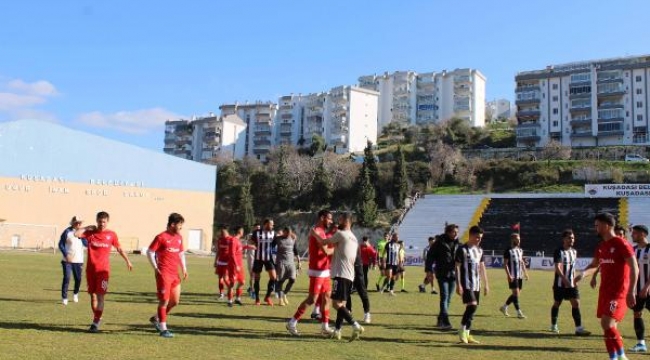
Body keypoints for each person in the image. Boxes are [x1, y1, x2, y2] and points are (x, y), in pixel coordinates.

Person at [580, 212, 639, 360]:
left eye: (597, 225)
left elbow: (634, 267)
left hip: (618, 292)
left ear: (607, 225)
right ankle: (613, 357)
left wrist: (631, 291)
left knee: (606, 322)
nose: (595, 228)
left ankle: (622, 356)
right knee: (608, 326)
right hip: (605, 292)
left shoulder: (621, 243)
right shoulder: (601, 246)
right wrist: (582, 274)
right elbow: (594, 265)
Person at [75, 211, 132, 333]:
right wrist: (86, 227)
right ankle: (97, 317)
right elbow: (76, 233)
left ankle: (95, 323)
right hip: (90, 271)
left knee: (100, 296)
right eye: (100, 221)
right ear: (97, 221)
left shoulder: (111, 235)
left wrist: (127, 260)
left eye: (104, 222)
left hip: (103, 271)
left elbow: (119, 248)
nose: (102, 224)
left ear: (107, 222)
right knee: (93, 296)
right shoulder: (91, 233)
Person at [311, 212, 365, 341]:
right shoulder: (354, 238)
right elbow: (335, 250)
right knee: (342, 305)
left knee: (336, 304)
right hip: (349, 276)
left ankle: (355, 325)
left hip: (340, 274)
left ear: (346, 222)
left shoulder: (341, 234)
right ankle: (338, 330)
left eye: (339, 221)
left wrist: (314, 234)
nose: (337, 223)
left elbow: (324, 241)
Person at [287, 210, 334, 336]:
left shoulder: (321, 232)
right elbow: (326, 252)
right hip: (317, 271)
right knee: (312, 299)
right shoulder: (317, 231)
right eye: (329, 218)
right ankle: (292, 323)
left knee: (327, 297)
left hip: (325, 271)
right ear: (322, 217)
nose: (331, 221)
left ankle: (325, 326)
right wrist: (339, 247)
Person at [147, 213, 188, 338]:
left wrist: (184, 268)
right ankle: (163, 328)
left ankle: (156, 318)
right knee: (164, 301)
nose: (181, 228)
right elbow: (150, 251)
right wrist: (155, 267)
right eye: (180, 225)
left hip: (175, 274)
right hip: (163, 273)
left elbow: (180, 253)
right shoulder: (161, 237)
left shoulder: (179, 237)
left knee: (175, 301)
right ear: (172, 224)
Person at [548, 229, 591, 335]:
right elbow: (557, 268)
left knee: (576, 303)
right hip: (560, 284)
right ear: (564, 239)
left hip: (571, 283)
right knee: (557, 303)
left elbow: (572, 267)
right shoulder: (559, 251)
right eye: (569, 237)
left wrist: (574, 278)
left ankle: (579, 328)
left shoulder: (574, 251)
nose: (571, 239)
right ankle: (553, 325)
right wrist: (564, 279)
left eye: (572, 238)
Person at [455, 225, 488, 344]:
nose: (479, 239)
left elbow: (482, 267)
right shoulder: (462, 249)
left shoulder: (480, 250)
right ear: (471, 235)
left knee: (472, 310)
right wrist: (458, 284)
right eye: (477, 237)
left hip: (476, 284)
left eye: (480, 238)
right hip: (466, 283)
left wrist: (486, 284)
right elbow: (457, 267)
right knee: (472, 305)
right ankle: (461, 329)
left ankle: (468, 334)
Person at [428, 224, 460, 329]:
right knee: (444, 297)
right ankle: (445, 321)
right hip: (442, 273)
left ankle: (440, 319)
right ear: (448, 232)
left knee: (449, 298)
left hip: (453, 274)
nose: (456, 234)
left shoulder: (458, 243)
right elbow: (430, 256)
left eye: (457, 232)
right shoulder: (439, 242)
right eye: (454, 232)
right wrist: (428, 270)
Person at [628, 225, 650, 353]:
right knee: (637, 314)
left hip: (647, 289)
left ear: (643, 234)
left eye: (635, 233)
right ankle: (641, 344)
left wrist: (646, 287)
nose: (632, 235)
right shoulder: (633, 250)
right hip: (636, 290)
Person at [499, 233, 529, 319]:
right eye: (517, 239)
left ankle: (504, 307)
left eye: (519, 239)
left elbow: (522, 262)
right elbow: (505, 264)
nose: (519, 240)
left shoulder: (520, 250)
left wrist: (525, 273)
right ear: (512, 240)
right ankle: (519, 312)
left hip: (520, 275)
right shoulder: (508, 250)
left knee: (516, 294)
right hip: (512, 275)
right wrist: (509, 275)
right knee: (515, 293)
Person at [59, 216, 85, 305]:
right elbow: (61, 244)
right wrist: (66, 255)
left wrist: (82, 237)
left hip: (79, 260)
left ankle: (75, 293)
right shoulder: (67, 232)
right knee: (67, 277)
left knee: (78, 279)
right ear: (73, 222)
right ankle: (64, 297)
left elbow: (87, 244)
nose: (78, 224)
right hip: (67, 260)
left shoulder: (83, 232)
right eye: (76, 222)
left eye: (80, 223)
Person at [252, 219, 278, 306]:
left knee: (274, 277)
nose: (272, 226)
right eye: (271, 225)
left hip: (269, 258)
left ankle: (267, 297)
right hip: (258, 258)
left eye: (273, 225)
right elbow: (252, 242)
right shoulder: (256, 232)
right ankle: (257, 298)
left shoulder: (274, 233)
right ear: (266, 224)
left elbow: (274, 244)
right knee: (257, 278)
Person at [275, 226, 301, 306]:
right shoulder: (278, 239)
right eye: (288, 233)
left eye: (290, 233)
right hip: (281, 262)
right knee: (281, 281)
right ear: (284, 232)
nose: (289, 234)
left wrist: (299, 261)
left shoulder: (292, 239)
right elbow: (271, 246)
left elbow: (295, 250)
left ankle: (284, 294)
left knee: (293, 279)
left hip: (291, 263)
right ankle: (280, 299)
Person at [226, 226, 247, 307]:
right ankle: (230, 301)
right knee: (232, 284)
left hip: (240, 266)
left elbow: (239, 249)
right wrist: (236, 265)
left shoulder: (238, 240)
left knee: (242, 282)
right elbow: (232, 254)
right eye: (243, 230)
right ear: (240, 231)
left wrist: (248, 247)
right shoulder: (233, 240)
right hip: (234, 266)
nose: (243, 232)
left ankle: (237, 299)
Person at [214, 226, 232, 300]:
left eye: (223, 232)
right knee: (220, 278)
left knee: (225, 279)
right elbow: (218, 251)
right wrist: (215, 261)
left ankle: (231, 292)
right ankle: (221, 294)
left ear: (227, 231)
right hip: (220, 262)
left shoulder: (231, 239)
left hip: (227, 262)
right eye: (221, 232)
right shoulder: (220, 240)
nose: (221, 233)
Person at [246, 224, 260, 298]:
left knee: (256, 275)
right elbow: (251, 242)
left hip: (257, 258)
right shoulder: (250, 235)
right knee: (252, 275)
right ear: (254, 228)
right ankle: (252, 290)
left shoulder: (260, 235)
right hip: (251, 257)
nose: (258, 229)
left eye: (259, 228)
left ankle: (251, 288)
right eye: (257, 227)